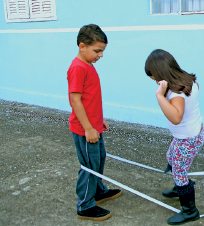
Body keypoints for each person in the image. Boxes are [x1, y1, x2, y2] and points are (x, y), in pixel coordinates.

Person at [67, 24, 122, 221]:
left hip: (94, 126)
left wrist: (99, 121)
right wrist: (88, 127)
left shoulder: (88, 65)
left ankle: (98, 191)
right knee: (89, 166)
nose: (100, 55)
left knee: (99, 159)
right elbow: (75, 100)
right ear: (82, 46)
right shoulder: (78, 68)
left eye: (102, 51)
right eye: (97, 51)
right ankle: (85, 205)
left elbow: (90, 100)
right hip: (85, 130)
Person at [145, 49, 204, 225]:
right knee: (170, 157)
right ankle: (181, 187)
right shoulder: (189, 81)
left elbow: (176, 118)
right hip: (193, 134)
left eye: (155, 78)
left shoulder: (176, 92)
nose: (155, 82)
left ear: (162, 73)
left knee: (179, 173)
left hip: (187, 139)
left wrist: (159, 96)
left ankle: (190, 211)